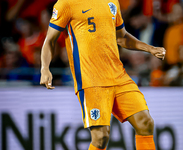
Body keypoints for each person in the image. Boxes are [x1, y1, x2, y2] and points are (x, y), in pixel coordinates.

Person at [40, 0, 166, 150]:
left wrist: (149, 48)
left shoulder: (112, 2)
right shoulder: (66, 4)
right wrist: (45, 68)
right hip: (91, 80)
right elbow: (49, 41)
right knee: (101, 137)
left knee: (145, 123)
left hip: (119, 76)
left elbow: (122, 37)